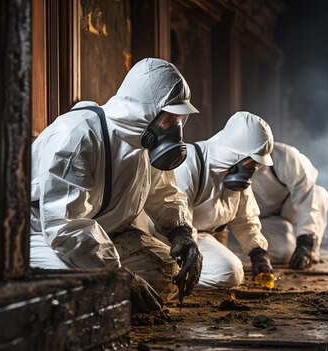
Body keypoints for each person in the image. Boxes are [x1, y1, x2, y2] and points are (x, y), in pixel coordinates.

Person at [29, 58, 203, 313]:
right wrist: (119, 276)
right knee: (78, 290)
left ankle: (109, 288)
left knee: (169, 273)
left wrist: (181, 233)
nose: (175, 129)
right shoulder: (79, 135)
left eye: (179, 120)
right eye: (170, 119)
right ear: (146, 110)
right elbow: (64, 225)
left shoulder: (143, 141)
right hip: (46, 237)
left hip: (107, 234)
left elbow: (163, 192)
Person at [173, 111, 275, 288]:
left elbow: (246, 218)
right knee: (229, 272)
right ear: (235, 154)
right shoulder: (188, 163)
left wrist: (258, 252)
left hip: (201, 238)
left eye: (258, 165)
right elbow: (175, 220)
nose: (254, 169)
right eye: (252, 162)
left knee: (230, 268)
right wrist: (187, 248)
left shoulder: (235, 174)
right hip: (174, 239)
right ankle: (168, 275)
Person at [250, 142, 328, 269]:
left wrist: (305, 243)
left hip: (290, 205)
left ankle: (311, 252)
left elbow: (307, 201)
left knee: (319, 194)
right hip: (263, 219)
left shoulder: (286, 157)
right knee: (284, 253)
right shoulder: (230, 164)